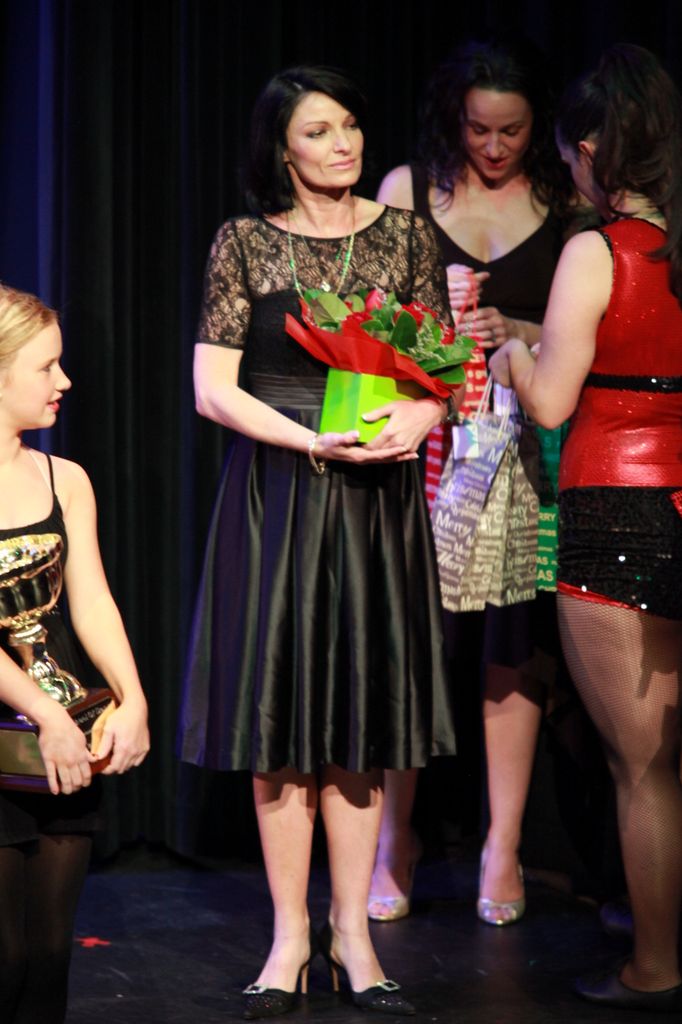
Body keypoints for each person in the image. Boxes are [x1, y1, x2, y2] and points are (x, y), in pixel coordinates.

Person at [177, 65, 457, 1018]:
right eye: (317, 132)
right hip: (279, 496)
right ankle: (290, 939)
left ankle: (353, 935)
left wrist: (420, 415)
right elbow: (212, 389)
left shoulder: (406, 237)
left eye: (348, 126)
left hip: (375, 499)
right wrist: (309, 442)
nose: (342, 145)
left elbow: (438, 368)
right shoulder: (244, 243)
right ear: (280, 148)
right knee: (280, 722)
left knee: (359, 721)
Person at [489, 43, 682, 1012]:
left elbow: (552, 404)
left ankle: (652, 965)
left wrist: (513, 357)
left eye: (568, 153)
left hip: (616, 510)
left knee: (643, 770)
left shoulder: (596, 251)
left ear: (595, 148)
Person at [372, 35, 574, 925]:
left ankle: (502, 843)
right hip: (423, 447)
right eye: (477, 128)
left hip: (520, 454)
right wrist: (433, 337)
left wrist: (515, 328)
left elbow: (587, 329)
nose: (493, 147)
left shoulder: (564, 202)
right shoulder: (406, 190)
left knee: (509, 645)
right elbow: (370, 324)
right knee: (409, 643)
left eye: (511, 131)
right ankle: (394, 839)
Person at [0, 285, 150, 1023]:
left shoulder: (66, 478)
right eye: (45, 367)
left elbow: (91, 601)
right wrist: (44, 713)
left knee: (48, 951)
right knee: (3, 954)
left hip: (65, 742)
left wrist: (133, 698)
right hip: (18, 731)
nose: (64, 380)